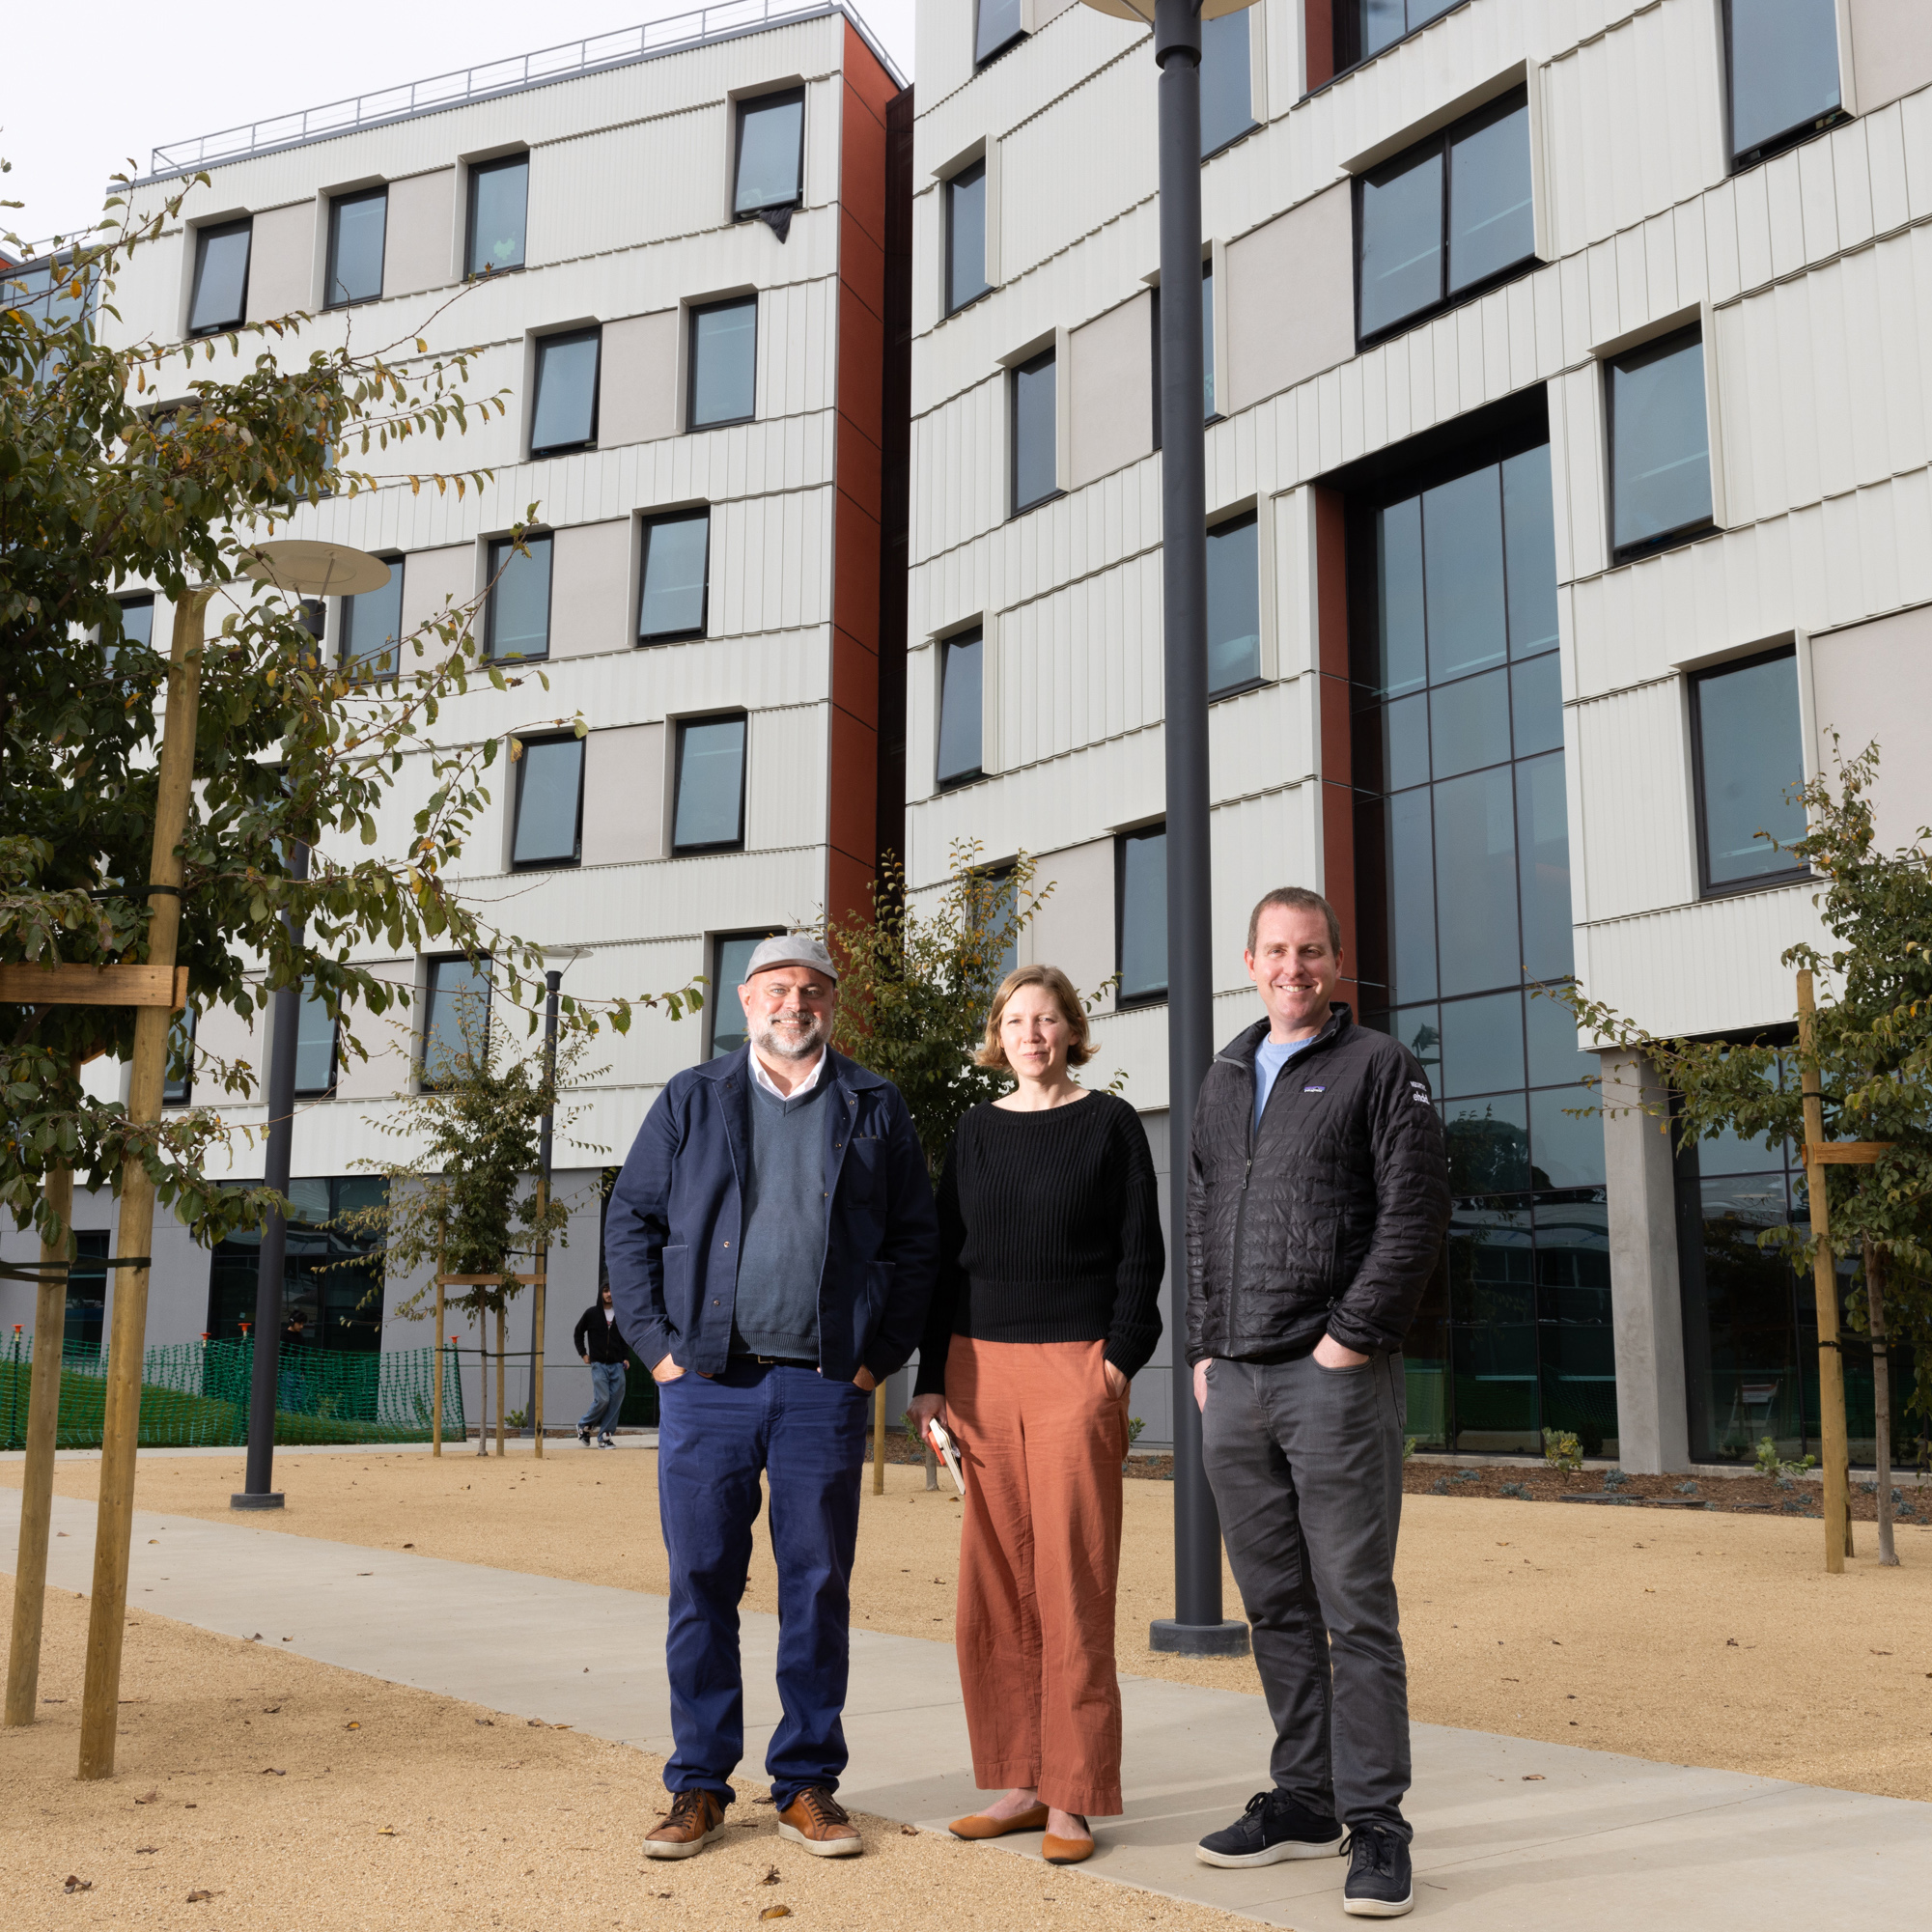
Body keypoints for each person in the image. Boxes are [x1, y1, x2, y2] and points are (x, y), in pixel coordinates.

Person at [605, 932, 937, 1863]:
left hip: (823, 1386)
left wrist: (874, 1360)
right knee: (700, 1582)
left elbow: (916, 1243)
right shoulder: (691, 1097)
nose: (797, 1003)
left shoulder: (874, 1104)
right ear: (745, 1000)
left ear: (833, 1004)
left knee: (816, 1585)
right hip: (706, 1384)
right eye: (778, 988)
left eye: (815, 989)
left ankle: (806, 1785)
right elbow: (630, 1218)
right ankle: (699, 1786)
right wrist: (658, 1352)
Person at [1188, 887, 1449, 1919]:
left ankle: (1378, 1825)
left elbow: (1416, 1213)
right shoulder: (1219, 1076)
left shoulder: (1380, 1067)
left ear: (1335, 964)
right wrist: (1207, 1349)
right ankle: (1304, 1797)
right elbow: (1206, 1216)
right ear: (1248, 960)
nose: (1293, 967)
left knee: (1355, 1607)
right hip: (1237, 1383)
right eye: (1276, 951)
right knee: (1276, 1607)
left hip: (1329, 1377)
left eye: (1312, 951)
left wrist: (1351, 1339)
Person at [910, 965, 1163, 1868]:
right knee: (996, 1586)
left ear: (1070, 1030)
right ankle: (1019, 1780)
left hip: (1072, 1368)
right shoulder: (974, 1131)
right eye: (1015, 1019)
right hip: (978, 1372)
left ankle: (1075, 1795)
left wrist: (1119, 1357)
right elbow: (944, 1261)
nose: (1030, 1033)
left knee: (1071, 1580)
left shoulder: (1109, 1122)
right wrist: (930, 1375)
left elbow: (1142, 1248)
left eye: (1046, 1018)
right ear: (997, 1034)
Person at [574, 1278, 629, 1447]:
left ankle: (605, 1436)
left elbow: (624, 1339)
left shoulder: (620, 1315)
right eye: (605, 1290)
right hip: (598, 1364)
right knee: (603, 1399)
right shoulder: (591, 1314)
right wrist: (583, 1354)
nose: (609, 1294)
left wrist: (626, 1357)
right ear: (601, 1293)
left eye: (611, 1291)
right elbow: (578, 1333)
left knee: (616, 1400)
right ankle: (584, 1425)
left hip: (617, 1364)